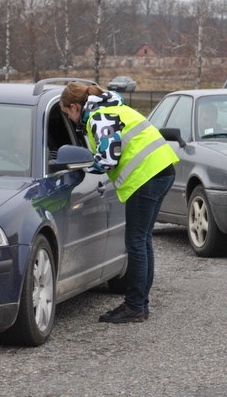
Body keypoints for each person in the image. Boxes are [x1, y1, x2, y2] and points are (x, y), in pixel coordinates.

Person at [60, 82, 178, 323]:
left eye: (67, 114)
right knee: (143, 240)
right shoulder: (113, 108)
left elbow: (107, 159)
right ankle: (140, 304)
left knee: (136, 242)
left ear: (74, 107)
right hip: (161, 171)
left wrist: (79, 166)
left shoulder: (99, 116)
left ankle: (134, 306)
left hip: (146, 176)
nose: (70, 119)